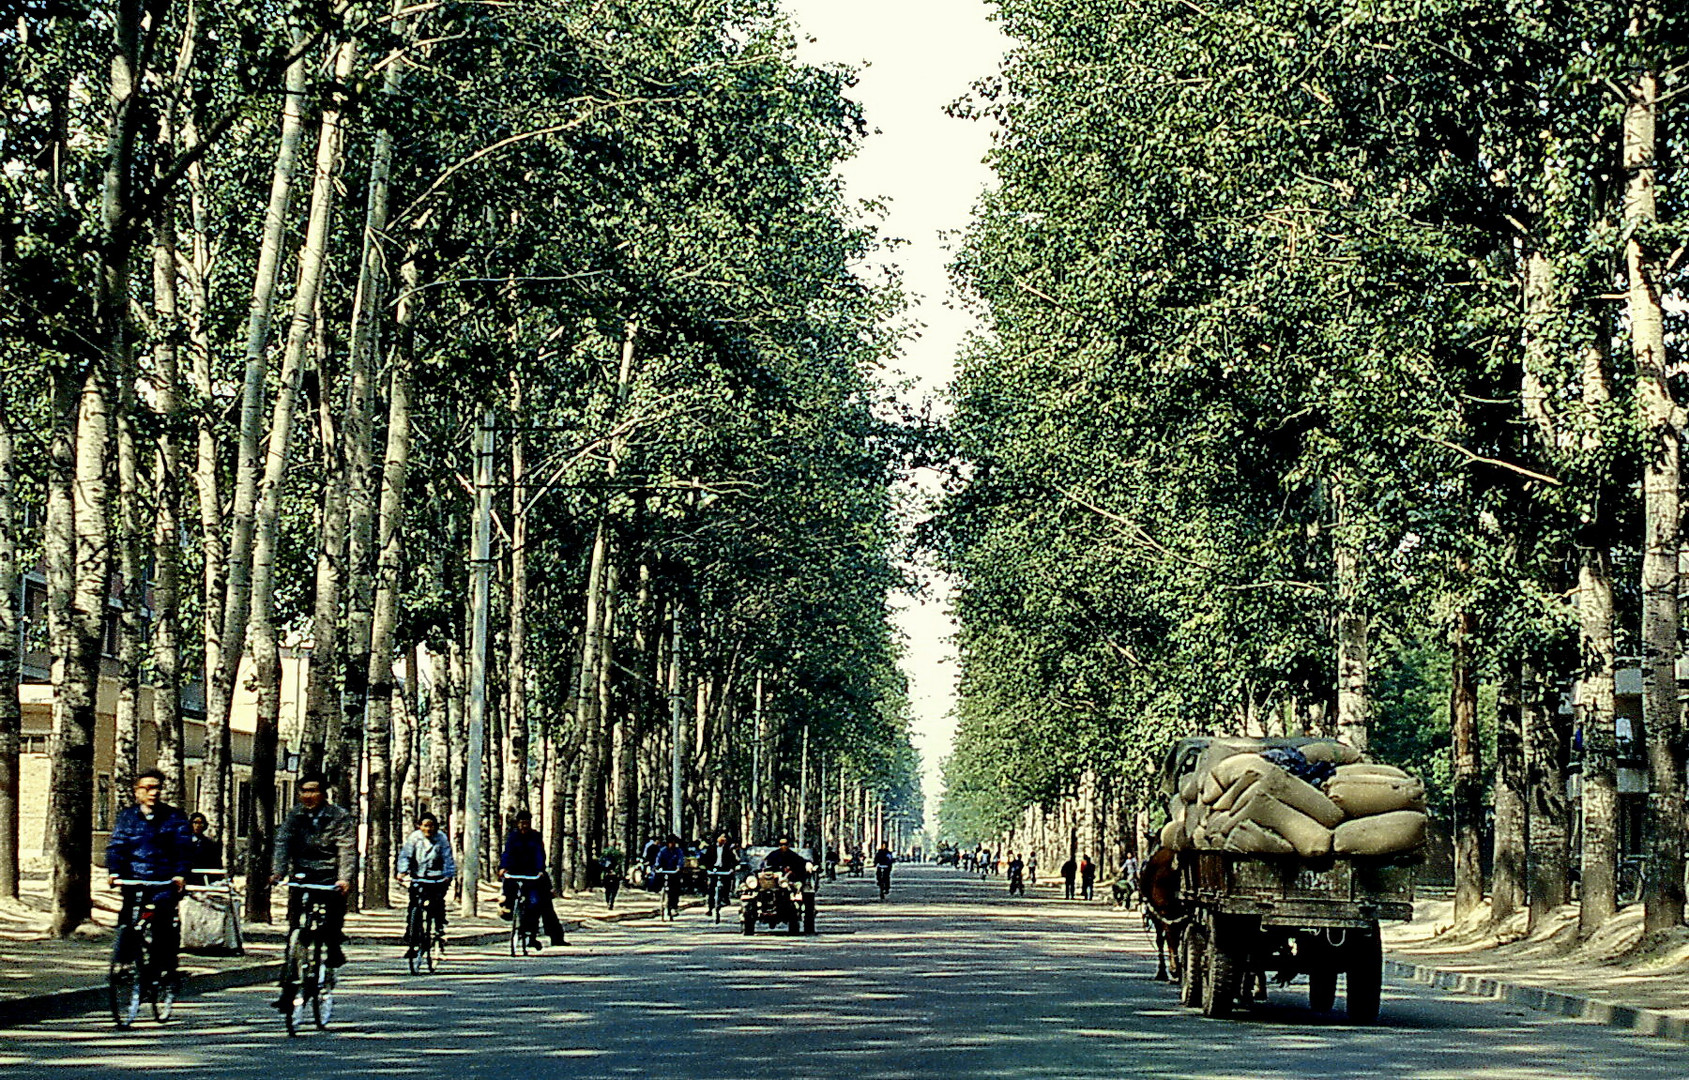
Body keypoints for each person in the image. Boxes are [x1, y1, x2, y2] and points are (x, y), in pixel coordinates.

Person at [271, 772, 356, 1007]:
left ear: (324, 793)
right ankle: (287, 988)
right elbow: (283, 841)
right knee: (294, 931)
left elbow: (346, 849)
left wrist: (343, 879)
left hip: (329, 872)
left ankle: (334, 945)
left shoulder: (339, 816)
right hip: (302, 871)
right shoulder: (294, 815)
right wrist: (278, 871)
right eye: (304, 791)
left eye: (313, 790)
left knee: (332, 918)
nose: (308, 796)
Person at [106, 768, 192, 980]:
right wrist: (114, 871)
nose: (152, 793)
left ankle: (164, 967)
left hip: (163, 880)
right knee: (127, 919)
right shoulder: (127, 817)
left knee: (163, 920)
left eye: (156, 788)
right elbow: (117, 846)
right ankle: (122, 964)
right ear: (137, 792)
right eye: (147, 788)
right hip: (134, 878)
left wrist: (179, 874)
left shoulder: (174, 817)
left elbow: (183, 848)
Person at [499, 810, 567, 947]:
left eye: (527, 823)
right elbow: (507, 853)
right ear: (518, 824)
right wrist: (503, 867)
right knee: (509, 890)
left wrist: (540, 870)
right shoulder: (513, 837)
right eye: (522, 823)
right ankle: (507, 906)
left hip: (533, 874)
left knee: (538, 903)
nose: (524, 826)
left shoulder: (535, 837)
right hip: (515, 873)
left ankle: (544, 936)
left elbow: (539, 854)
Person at [395, 811, 455, 954]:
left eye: (431, 826)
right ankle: (413, 941)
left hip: (437, 878)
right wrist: (402, 871)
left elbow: (447, 857)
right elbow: (406, 855)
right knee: (414, 907)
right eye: (425, 826)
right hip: (419, 877)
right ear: (419, 827)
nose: (428, 829)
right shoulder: (414, 839)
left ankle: (439, 930)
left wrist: (448, 874)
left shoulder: (441, 839)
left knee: (437, 903)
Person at [184, 812, 222, 886]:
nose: (198, 826)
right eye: (195, 822)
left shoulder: (210, 844)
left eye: (201, 823)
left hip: (203, 879)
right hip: (187, 878)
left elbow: (215, 863)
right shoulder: (184, 842)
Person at [653, 834, 686, 913]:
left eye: (673, 842)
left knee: (675, 889)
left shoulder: (678, 851)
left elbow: (680, 860)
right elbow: (658, 859)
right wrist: (657, 866)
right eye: (670, 842)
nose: (672, 844)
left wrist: (679, 867)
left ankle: (674, 906)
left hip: (674, 872)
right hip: (664, 871)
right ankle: (659, 894)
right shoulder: (663, 851)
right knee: (656, 879)